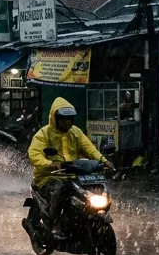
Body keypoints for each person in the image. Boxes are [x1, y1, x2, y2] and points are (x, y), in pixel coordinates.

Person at [28, 97, 113, 240]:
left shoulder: (76, 132)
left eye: (69, 119)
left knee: (92, 190)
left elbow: (89, 149)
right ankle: (55, 224)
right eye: (63, 119)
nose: (66, 122)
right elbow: (34, 154)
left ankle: (81, 219)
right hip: (49, 177)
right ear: (55, 118)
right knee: (60, 190)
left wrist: (104, 161)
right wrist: (50, 164)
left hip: (72, 175)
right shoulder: (44, 134)